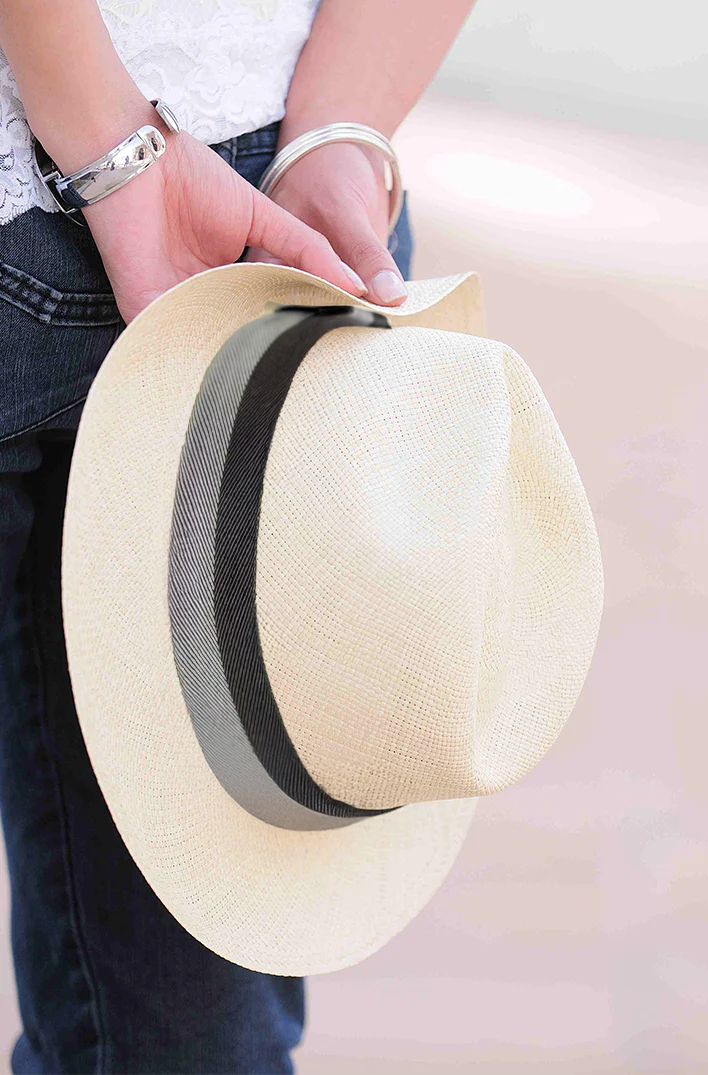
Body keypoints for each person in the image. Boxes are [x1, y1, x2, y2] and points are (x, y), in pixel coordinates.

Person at [0, 1, 474, 1071]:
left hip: (246, 218)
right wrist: (339, 127)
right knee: (191, 1035)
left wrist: (328, 134)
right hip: (257, 186)